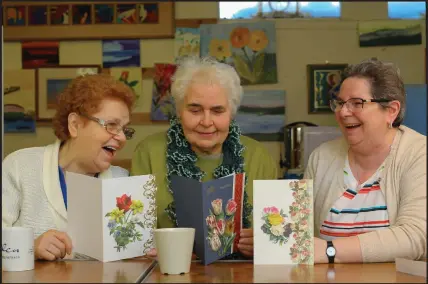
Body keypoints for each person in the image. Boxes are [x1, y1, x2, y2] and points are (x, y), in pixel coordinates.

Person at [131, 56, 279, 258]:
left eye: (217, 111)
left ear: (231, 113)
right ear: (179, 110)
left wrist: (264, 241)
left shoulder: (257, 156)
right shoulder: (149, 152)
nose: (206, 121)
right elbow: (134, 235)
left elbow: (277, 233)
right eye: (195, 110)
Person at [2, 73, 136, 261]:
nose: (122, 138)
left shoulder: (123, 181)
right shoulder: (19, 167)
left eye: (125, 129)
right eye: (112, 125)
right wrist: (29, 248)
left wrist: (142, 250)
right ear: (75, 125)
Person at [305, 59, 426, 263]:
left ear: (391, 111)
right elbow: (300, 234)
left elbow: (416, 236)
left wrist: (330, 250)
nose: (343, 112)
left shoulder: (419, 154)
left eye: (357, 103)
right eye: (340, 103)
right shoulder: (321, 158)